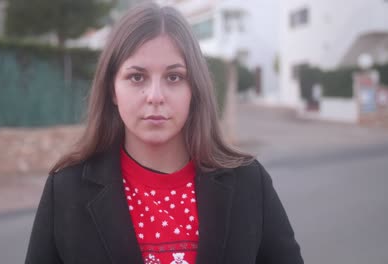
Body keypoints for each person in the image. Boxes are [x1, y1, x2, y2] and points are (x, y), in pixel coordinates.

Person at [25, 3, 303, 264]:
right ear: (112, 89)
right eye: (137, 77)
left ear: (193, 88)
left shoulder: (249, 182)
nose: (155, 96)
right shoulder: (66, 189)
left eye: (174, 77)